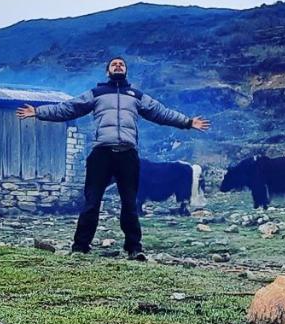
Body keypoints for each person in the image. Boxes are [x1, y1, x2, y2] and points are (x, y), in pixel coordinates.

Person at [16, 56, 210, 260]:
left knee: (130, 203)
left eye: (122, 64)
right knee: (92, 202)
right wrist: (38, 112)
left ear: (126, 70)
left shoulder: (136, 95)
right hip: (102, 153)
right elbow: (68, 108)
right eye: (114, 64)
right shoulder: (96, 93)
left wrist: (187, 122)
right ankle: (80, 247)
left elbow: (161, 113)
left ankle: (134, 248)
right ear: (107, 71)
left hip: (127, 154)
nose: (118, 66)